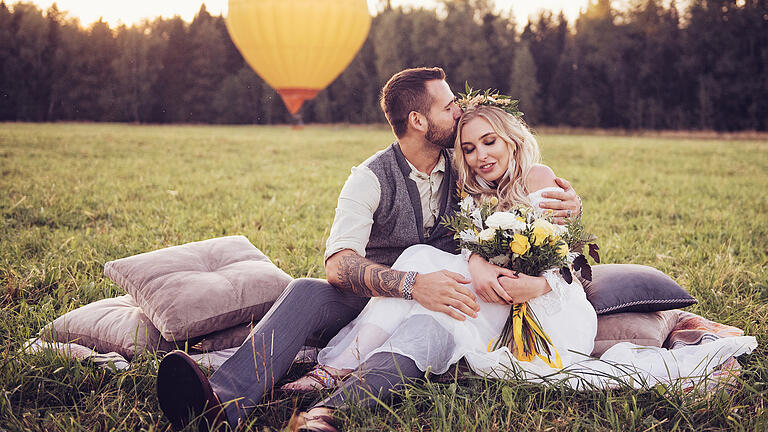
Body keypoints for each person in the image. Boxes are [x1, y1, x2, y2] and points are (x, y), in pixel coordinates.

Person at [155, 67, 582, 431]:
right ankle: (221, 402)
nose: (460, 111)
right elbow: (339, 266)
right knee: (305, 290)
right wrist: (413, 285)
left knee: (430, 327)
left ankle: (327, 410)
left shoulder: (466, 165)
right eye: (449, 106)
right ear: (418, 120)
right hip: (376, 297)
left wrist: (570, 204)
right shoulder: (369, 178)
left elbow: (522, 188)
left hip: (452, 295)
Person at [282, 103, 599, 427]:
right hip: (491, 289)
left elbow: (566, 254)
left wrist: (537, 285)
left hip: (542, 306)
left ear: (511, 140)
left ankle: (340, 373)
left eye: (490, 142)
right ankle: (345, 373)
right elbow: (470, 244)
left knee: (426, 283)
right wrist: (476, 263)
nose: (481, 156)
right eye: (469, 149)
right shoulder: (475, 190)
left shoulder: (537, 177)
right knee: (421, 261)